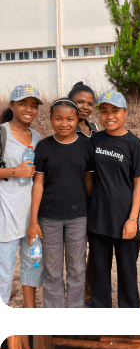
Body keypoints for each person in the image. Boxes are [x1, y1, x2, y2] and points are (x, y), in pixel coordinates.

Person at [27, 99, 94, 308]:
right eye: (58, 118)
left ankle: (74, 316)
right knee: (52, 270)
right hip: (49, 218)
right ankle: (54, 319)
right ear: (50, 119)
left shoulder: (85, 145)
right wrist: (33, 221)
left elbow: (88, 180)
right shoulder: (44, 147)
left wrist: (86, 208)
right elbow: (37, 184)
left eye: (70, 119)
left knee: (76, 268)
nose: (64, 123)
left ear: (77, 120)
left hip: (78, 218)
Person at [87, 90, 140, 308]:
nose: (109, 116)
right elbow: (87, 177)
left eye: (115, 111)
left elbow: (139, 183)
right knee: (99, 274)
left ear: (125, 112)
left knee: (127, 274)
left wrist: (133, 219)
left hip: (124, 220)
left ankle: (129, 321)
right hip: (98, 219)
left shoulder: (134, 145)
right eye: (104, 111)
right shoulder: (95, 140)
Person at [0, 84, 43, 308]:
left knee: (32, 266)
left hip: (31, 219)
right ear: (11, 106)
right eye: (23, 104)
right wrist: (16, 171)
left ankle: (30, 315)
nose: (29, 109)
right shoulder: (2, 133)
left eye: (33, 105)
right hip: (5, 217)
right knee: (4, 272)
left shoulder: (36, 137)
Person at [68, 81, 98, 307]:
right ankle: (77, 293)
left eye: (89, 103)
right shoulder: (65, 130)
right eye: (80, 102)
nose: (85, 107)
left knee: (96, 247)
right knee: (76, 250)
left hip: (97, 198)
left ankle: (92, 287)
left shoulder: (96, 131)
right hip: (73, 199)